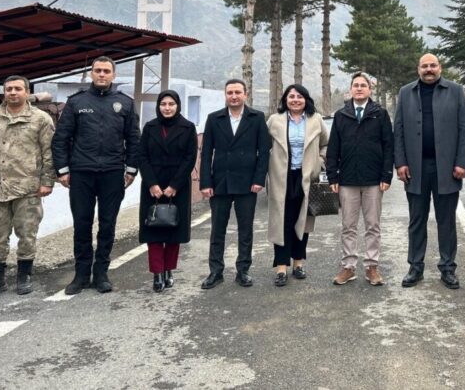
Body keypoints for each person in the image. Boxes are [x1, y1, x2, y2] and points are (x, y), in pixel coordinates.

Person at [52, 56, 140, 295]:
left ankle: (101, 273)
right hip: (81, 173)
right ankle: (81, 275)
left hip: (113, 173)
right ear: (92, 73)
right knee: (82, 225)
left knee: (108, 225)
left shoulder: (126, 104)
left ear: (113, 75)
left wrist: (131, 169)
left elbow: (134, 139)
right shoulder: (76, 102)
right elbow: (61, 139)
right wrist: (62, 170)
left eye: (106, 71)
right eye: (98, 70)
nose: (102, 74)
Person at [0, 75, 55, 299]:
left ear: (27, 92)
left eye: (18, 88)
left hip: (27, 186)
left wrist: (47, 181)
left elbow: (49, 153)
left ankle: (24, 275)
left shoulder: (41, 119)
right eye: (9, 89)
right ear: (4, 92)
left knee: (27, 233)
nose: (13, 93)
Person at [394, 53, 465, 290]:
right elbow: (399, 130)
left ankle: (448, 268)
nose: (429, 69)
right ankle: (415, 267)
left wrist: (462, 162)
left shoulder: (456, 91)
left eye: (433, 65)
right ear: (418, 69)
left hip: (447, 169)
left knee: (446, 221)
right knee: (417, 220)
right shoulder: (406, 93)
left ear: (440, 68)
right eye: (425, 66)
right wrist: (401, 163)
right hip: (415, 169)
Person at [199, 79, 270, 289]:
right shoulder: (214, 119)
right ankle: (215, 272)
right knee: (217, 230)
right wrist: (205, 182)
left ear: (245, 94)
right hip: (220, 182)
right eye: (230, 92)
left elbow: (263, 152)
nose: (234, 96)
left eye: (238, 92)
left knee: (245, 229)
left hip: (247, 183)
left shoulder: (257, 118)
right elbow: (206, 154)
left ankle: (243, 270)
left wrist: (259, 179)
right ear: (225, 95)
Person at [326, 72, 394, 286]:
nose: (359, 88)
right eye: (355, 85)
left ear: (369, 90)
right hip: (347, 180)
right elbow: (333, 148)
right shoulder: (341, 115)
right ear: (350, 89)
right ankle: (348, 267)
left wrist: (386, 175)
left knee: (373, 225)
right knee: (348, 225)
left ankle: (372, 267)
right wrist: (332, 175)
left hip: (374, 180)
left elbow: (388, 146)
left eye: (363, 85)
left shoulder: (380, 114)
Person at [266, 84, 329, 287]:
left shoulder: (315, 120)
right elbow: (263, 145)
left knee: (302, 222)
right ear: (285, 99)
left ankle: (298, 263)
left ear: (306, 99)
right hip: (280, 177)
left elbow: (327, 144)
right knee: (282, 221)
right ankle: (282, 267)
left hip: (306, 177)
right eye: (291, 96)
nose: (295, 100)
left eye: (299, 96)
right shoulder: (274, 121)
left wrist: (319, 162)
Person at [137, 90, 198, 292]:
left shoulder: (188, 128)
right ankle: (157, 273)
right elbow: (142, 156)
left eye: (171, 103)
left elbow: (190, 159)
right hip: (152, 186)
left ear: (178, 106)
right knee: (153, 229)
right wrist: (152, 184)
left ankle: (169, 269)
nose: (167, 107)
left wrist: (174, 186)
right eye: (163, 104)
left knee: (173, 230)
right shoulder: (150, 127)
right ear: (159, 106)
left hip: (177, 186)